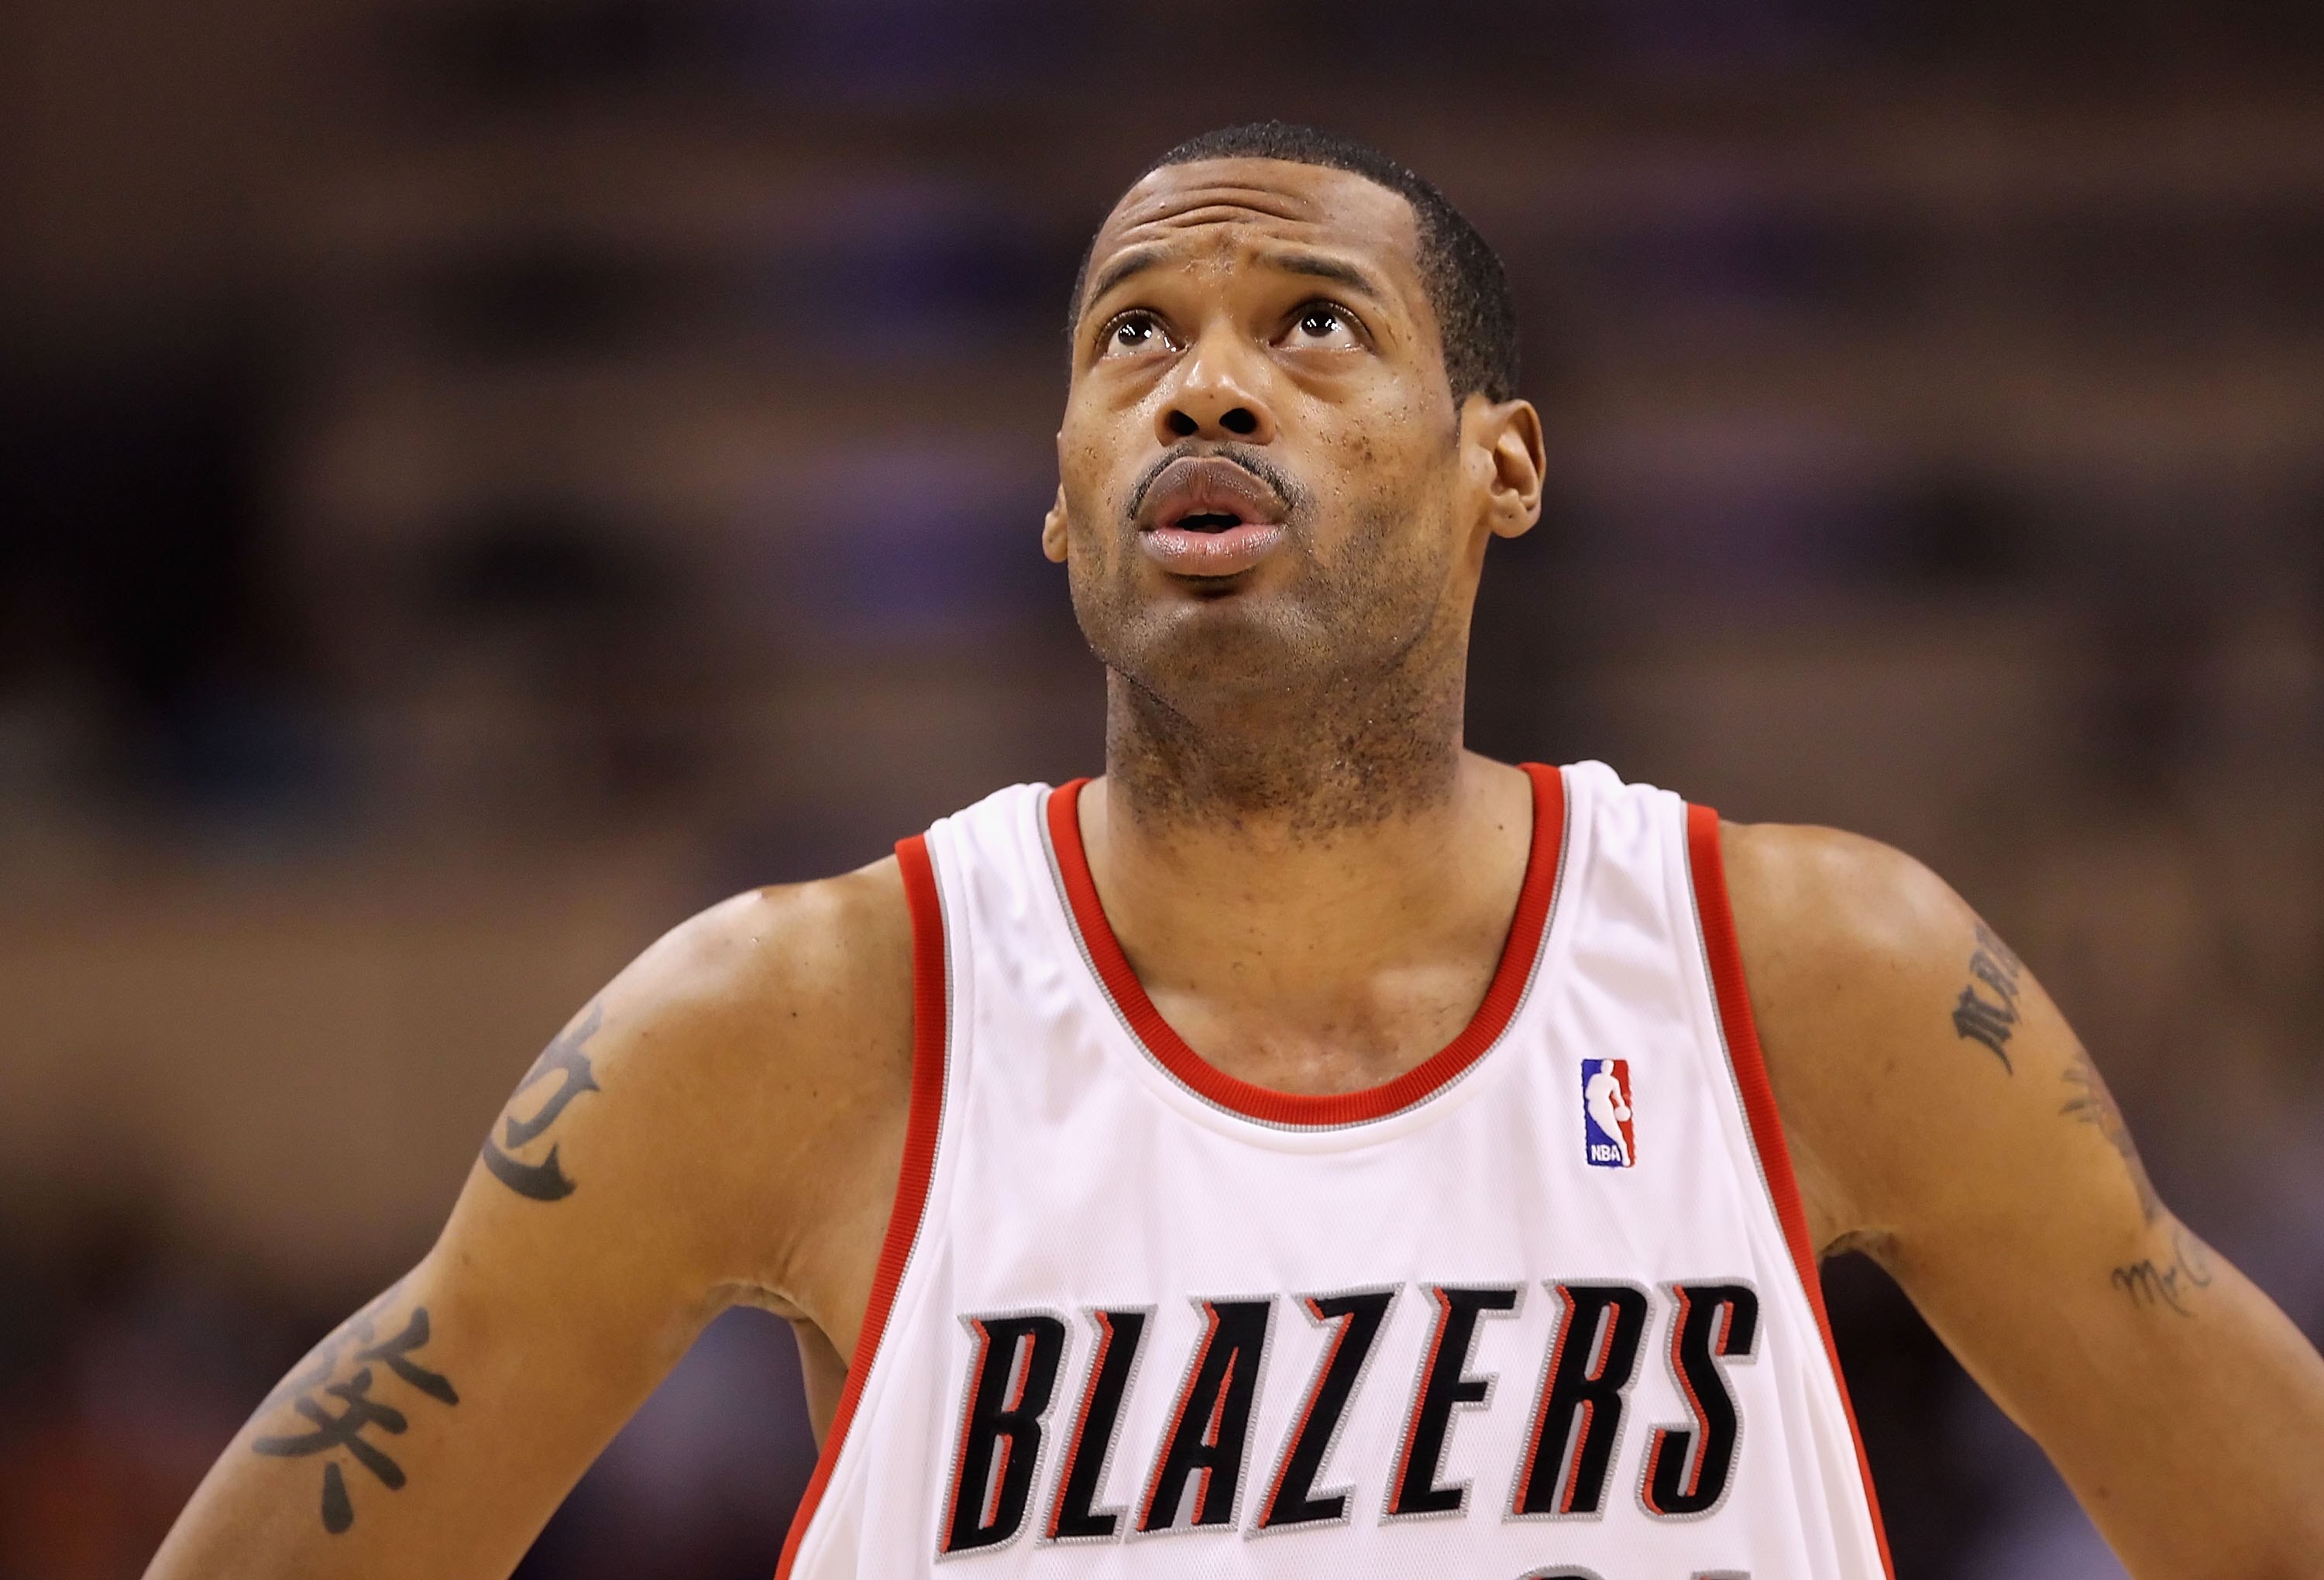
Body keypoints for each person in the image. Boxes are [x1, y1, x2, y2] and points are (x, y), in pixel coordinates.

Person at [146, 122, 2324, 1579]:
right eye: (1134, 339)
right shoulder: (799, 1024)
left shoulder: (1813, 976)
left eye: (1312, 324)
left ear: (1506, 464)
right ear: (1060, 493)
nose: (1208, 385)